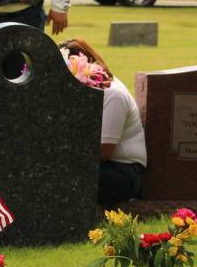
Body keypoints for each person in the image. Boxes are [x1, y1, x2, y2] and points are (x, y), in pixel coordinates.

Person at [58, 38, 147, 209]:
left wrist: (62, 160)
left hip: (122, 172)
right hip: (101, 165)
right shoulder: (86, 91)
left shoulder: (112, 94)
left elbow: (105, 150)